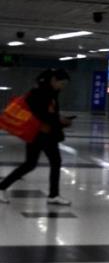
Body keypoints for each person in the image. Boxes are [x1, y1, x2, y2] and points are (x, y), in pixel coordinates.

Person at [0, 68, 74, 206]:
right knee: (54, 161)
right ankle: (53, 195)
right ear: (53, 80)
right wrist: (60, 121)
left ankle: (2, 187)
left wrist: (59, 120)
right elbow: (41, 115)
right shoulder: (41, 93)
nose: (62, 87)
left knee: (30, 164)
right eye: (62, 83)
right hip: (42, 134)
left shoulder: (49, 92)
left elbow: (48, 114)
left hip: (40, 133)